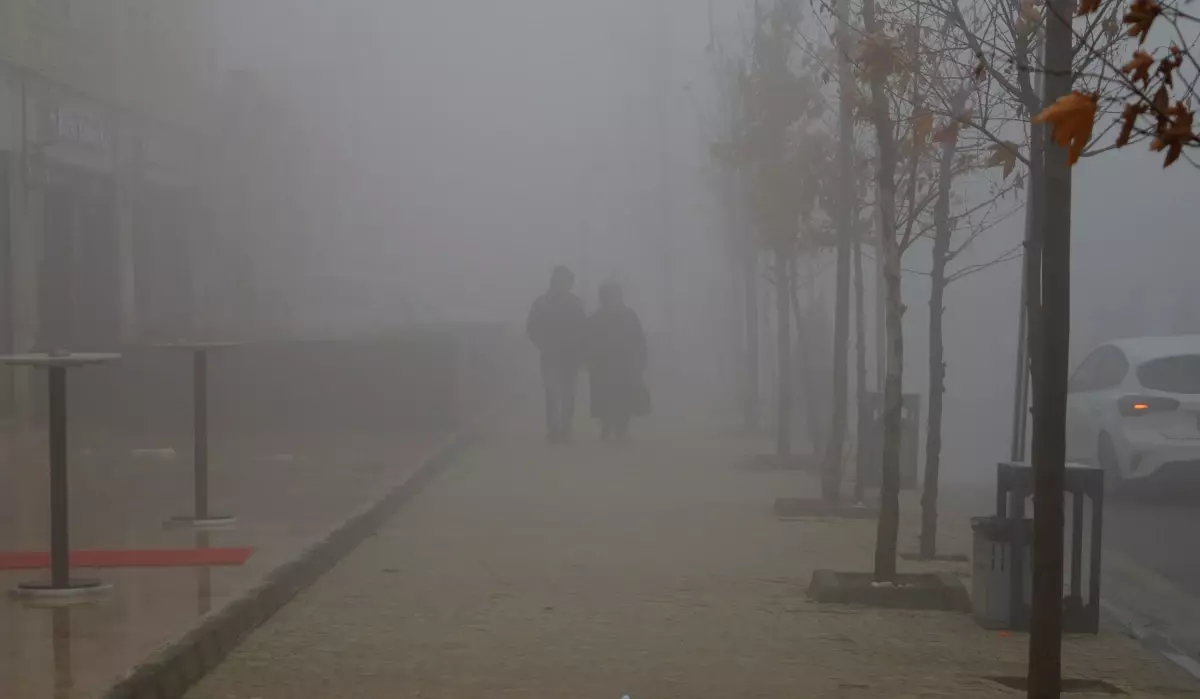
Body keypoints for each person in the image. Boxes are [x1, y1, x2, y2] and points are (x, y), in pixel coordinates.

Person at [527, 265, 587, 443]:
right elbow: (531, 327)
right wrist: (543, 344)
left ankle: (565, 428)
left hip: (569, 354)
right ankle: (554, 429)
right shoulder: (542, 302)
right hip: (552, 354)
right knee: (552, 392)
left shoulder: (575, 302)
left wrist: (580, 348)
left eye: (567, 281)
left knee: (567, 393)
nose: (565, 285)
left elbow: (584, 328)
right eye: (563, 280)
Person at [587, 281, 649, 442]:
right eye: (609, 295)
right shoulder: (596, 317)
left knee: (624, 397)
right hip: (604, 365)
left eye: (615, 294)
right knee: (605, 397)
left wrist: (641, 359)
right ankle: (607, 425)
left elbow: (639, 338)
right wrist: (590, 360)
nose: (612, 298)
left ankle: (621, 429)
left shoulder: (629, 315)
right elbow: (588, 341)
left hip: (625, 365)